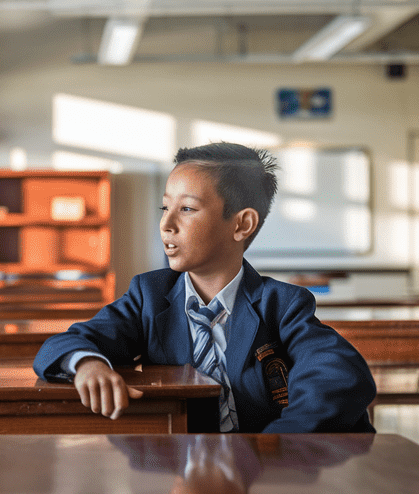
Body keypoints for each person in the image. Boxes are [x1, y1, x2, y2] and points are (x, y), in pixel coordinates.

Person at [33, 142, 375, 432]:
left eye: (187, 209)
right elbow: (68, 342)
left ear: (242, 224)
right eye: (165, 207)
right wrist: (87, 364)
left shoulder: (281, 304)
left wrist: (277, 445)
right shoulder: (148, 297)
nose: (166, 224)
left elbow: (336, 372)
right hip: (179, 474)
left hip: (262, 478)